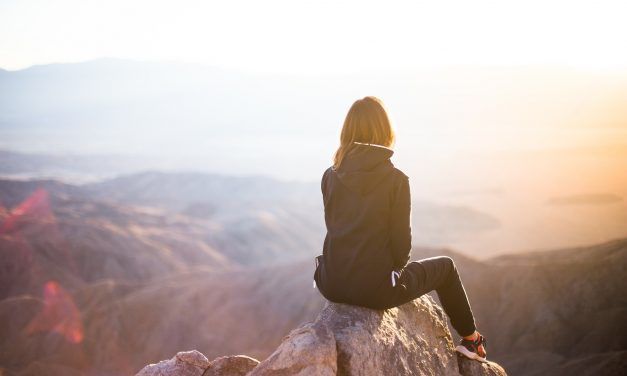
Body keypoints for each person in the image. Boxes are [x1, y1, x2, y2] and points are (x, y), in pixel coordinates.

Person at [313, 96, 487, 362]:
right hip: (375, 290)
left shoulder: (329, 175)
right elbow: (401, 249)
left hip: (330, 282)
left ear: (346, 131)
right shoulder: (396, 180)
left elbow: (335, 227)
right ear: (385, 131)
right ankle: (471, 341)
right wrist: (391, 272)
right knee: (447, 267)